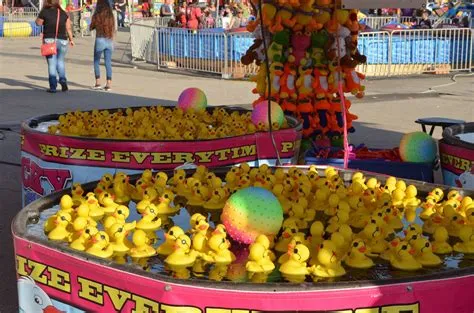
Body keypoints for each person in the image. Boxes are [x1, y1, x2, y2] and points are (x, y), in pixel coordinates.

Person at [36, 0, 74, 93]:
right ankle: (63, 80)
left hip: (50, 40)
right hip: (63, 41)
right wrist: (71, 39)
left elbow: (38, 23)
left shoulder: (45, 11)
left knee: (52, 63)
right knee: (60, 61)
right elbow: (68, 28)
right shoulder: (64, 13)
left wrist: (41, 16)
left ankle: (53, 87)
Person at [90, 0, 115, 91]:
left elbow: (91, 27)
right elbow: (113, 28)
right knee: (108, 62)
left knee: (96, 61)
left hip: (100, 39)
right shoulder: (110, 16)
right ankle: (108, 84)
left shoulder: (97, 15)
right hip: (109, 39)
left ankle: (98, 83)